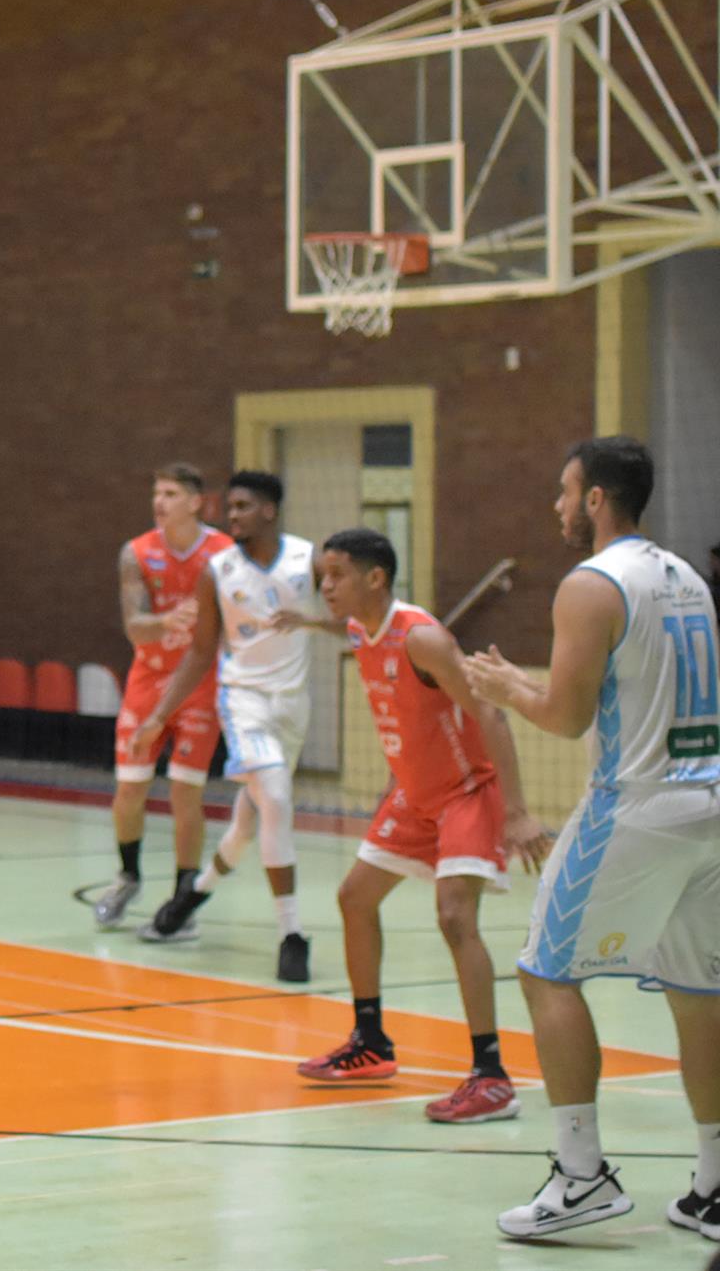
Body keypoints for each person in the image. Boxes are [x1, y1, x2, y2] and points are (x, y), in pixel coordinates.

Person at [465, 437, 720, 1243]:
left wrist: (510, 686)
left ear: (598, 499)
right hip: (711, 804)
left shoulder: (591, 584)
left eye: (565, 491)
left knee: (545, 971)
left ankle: (583, 1178)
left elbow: (569, 718)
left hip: (636, 805)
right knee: (700, 990)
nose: (558, 506)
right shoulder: (687, 577)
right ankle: (714, 1184)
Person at [296, 528, 551, 1122]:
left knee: (455, 916)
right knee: (354, 897)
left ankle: (491, 1076)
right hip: (414, 795)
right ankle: (371, 1044)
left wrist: (515, 811)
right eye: (321, 576)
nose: (324, 586)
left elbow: (488, 711)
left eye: (335, 575)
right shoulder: (362, 630)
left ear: (375, 578)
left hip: (467, 792)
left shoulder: (424, 638)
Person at [132, 470, 335, 981]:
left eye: (243, 507)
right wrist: (159, 715)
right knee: (278, 800)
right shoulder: (216, 570)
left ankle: (191, 896)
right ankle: (291, 935)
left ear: (268, 510)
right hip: (242, 702)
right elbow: (201, 652)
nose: (232, 516)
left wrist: (309, 620)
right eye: (231, 507)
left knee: (249, 824)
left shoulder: (308, 559)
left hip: (293, 708)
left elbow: (352, 620)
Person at [93, 463, 230, 929]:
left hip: (199, 686)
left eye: (171, 493)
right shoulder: (136, 552)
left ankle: (182, 896)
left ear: (196, 502)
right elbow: (134, 626)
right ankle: (128, 876)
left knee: (184, 792)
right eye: (157, 493)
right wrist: (169, 620)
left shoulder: (223, 553)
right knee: (130, 789)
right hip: (147, 683)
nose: (160, 501)